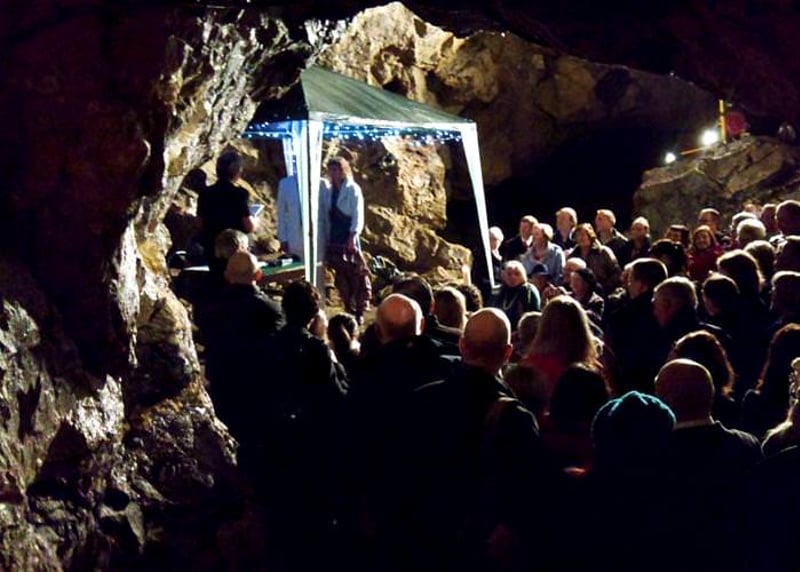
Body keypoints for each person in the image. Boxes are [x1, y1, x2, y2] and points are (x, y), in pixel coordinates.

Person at [319, 156, 372, 323]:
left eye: (336, 170)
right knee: (341, 275)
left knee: (357, 274)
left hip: (347, 234)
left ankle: (360, 309)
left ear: (343, 171)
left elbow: (357, 214)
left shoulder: (352, 189)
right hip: (334, 235)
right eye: (331, 170)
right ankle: (348, 306)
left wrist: (353, 236)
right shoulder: (329, 191)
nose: (333, 173)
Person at [197, 150, 256, 275]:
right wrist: (256, 221)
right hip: (236, 250)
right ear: (237, 171)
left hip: (213, 250)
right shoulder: (239, 194)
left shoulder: (205, 194)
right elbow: (248, 226)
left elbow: (200, 224)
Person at [490, 260, 541, 332]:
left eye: (517, 274)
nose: (513, 277)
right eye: (509, 274)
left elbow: (533, 317)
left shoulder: (529, 290)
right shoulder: (499, 291)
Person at [521, 222, 565, 286]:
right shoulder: (527, 255)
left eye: (536, 234)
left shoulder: (556, 253)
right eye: (532, 234)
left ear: (545, 237)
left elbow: (560, 275)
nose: (533, 237)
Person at [277, 173, 304, 261]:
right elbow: (281, 213)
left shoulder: (321, 183)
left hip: (317, 241)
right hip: (294, 239)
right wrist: (283, 239)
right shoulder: (286, 184)